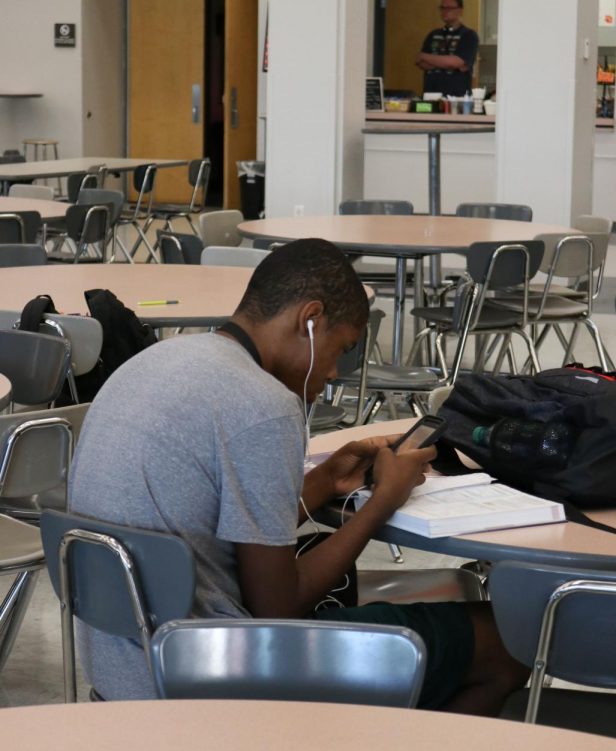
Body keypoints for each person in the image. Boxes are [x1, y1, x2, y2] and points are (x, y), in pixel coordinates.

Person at [68, 238, 527, 711]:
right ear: (310, 320)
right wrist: (384, 502)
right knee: (504, 639)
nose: (332, 372)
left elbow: (215, 528)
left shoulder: (152, 365)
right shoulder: (265, 406)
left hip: (121, 670)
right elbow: (277, 608)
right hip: (214, 678)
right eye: (341, 349)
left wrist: (326, 480)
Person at [416, 1, 479, 98]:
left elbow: (456, 62)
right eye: (442, 8)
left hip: (458, 98)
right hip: (431, 95)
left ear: (460, 10)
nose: (445, 11)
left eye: (449, 8)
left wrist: (425, 56)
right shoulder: (433, 35)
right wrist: (447, 63)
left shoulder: (469, 35)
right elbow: (420, 62)